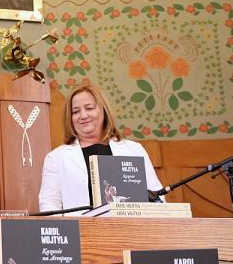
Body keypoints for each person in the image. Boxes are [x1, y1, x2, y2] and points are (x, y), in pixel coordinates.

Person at [38, 83, 164, 214]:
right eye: (75, 111)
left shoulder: (135, 150)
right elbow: (49, 205)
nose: (83, 115)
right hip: (80, 232)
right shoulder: (56, 158)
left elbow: (158, 198)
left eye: (89, 108)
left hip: (131, 231)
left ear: (103, 110)